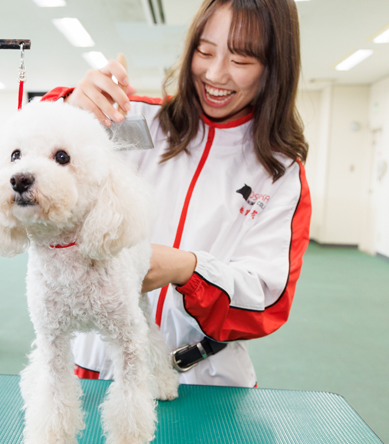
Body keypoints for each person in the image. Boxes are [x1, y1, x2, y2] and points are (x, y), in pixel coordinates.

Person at [41, 0, 311, 387]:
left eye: (242, 59)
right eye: (205, 51)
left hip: (208, 380)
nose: (216, 74)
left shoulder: (280, 173)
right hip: (101, 367)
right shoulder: (133, 121)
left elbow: (267, 301)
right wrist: (69, 111)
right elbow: (24, 162)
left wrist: (188, 268)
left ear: (274, 68)